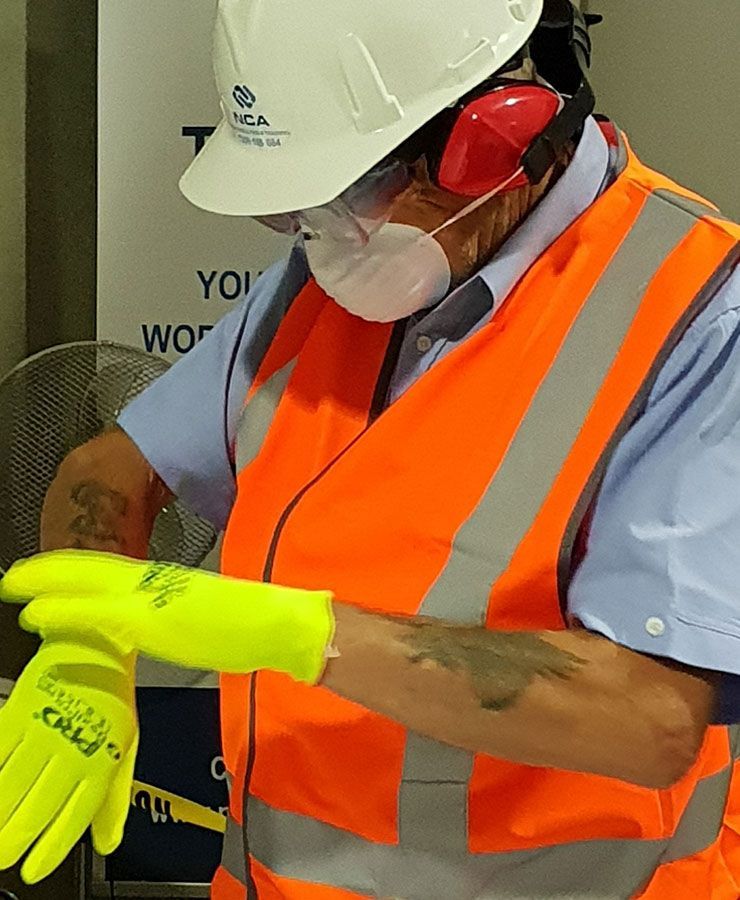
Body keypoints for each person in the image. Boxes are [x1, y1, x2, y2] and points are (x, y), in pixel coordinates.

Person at [1, 0, 740, 896]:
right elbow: (110, 470)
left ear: (495, 139)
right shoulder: (332, 280)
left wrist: (298, 634)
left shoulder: (699, 317)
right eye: (293, 211)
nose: (321, 235)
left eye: (351, 191)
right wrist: (87, 649)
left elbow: (650, 717)